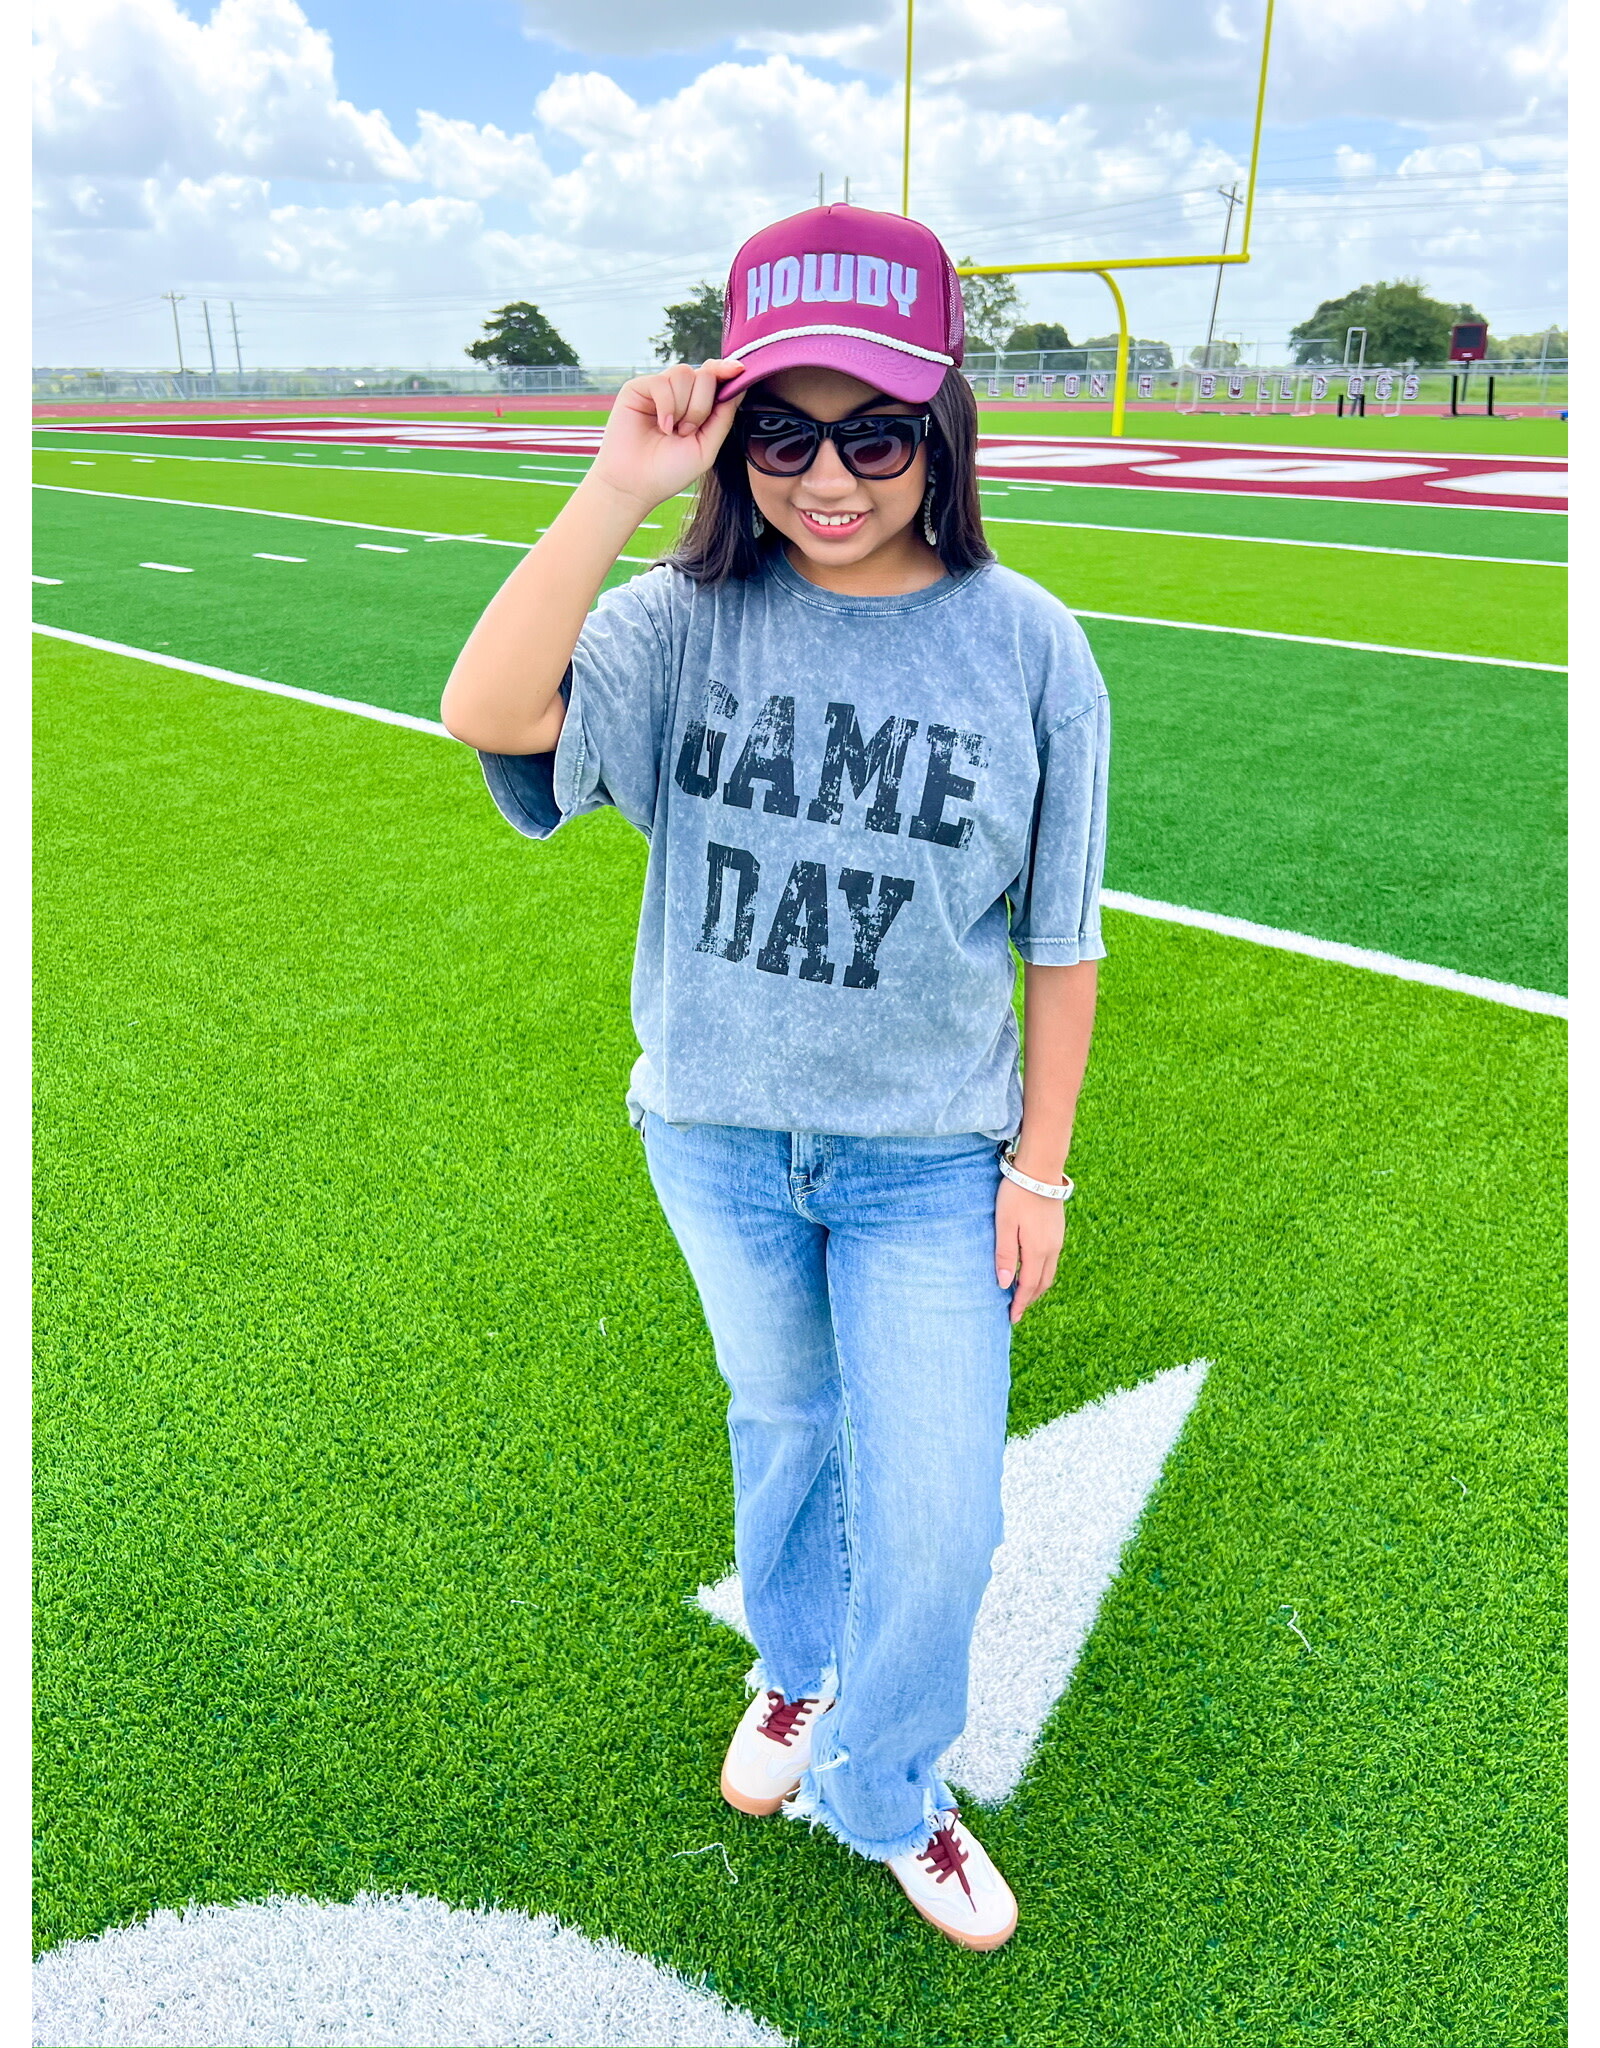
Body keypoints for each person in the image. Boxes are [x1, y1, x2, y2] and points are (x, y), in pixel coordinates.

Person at [441, 203, 1108, 1952]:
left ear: (939, 434)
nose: (830, 476)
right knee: (788, 1428)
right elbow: (489, 713)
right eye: (784, 431)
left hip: (929, 1164)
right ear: (733, 435)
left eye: (874, 433)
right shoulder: (681, 618)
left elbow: (1061, 935)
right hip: (721, 1137)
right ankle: (799, 1676)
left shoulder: (1030, 642)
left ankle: (889, 1786)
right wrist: (616, 492)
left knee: (949, 1512)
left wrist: (1038, 1169)